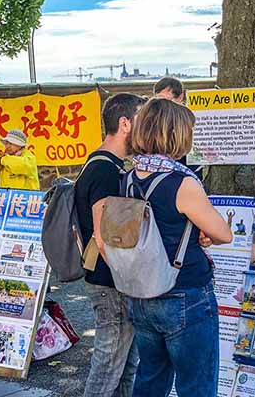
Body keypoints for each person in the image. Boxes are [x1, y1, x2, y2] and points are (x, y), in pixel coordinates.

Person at [128, 98, 232, 397]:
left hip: (142, 292)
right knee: (196, 386)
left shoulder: (129, 178)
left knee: (150, 380)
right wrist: (205, 231)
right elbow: (224, 233)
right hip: (185, 292)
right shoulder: (182, 183)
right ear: (176, 134)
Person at [75, 93, 146, 397]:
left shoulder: (103, 163)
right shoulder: (105, 170)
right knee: (108, 367)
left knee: (125, 366)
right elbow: (104, 237)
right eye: (142, 120)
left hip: (111, 281)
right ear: (125, 123)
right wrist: (129, 278)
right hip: (110, 282)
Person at [153, 76, 204, 180]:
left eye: (167, 100)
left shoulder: (191, 118)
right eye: (159, 100)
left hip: (187, 171)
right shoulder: (151, 119)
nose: (162, 106)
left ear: (180, 97)